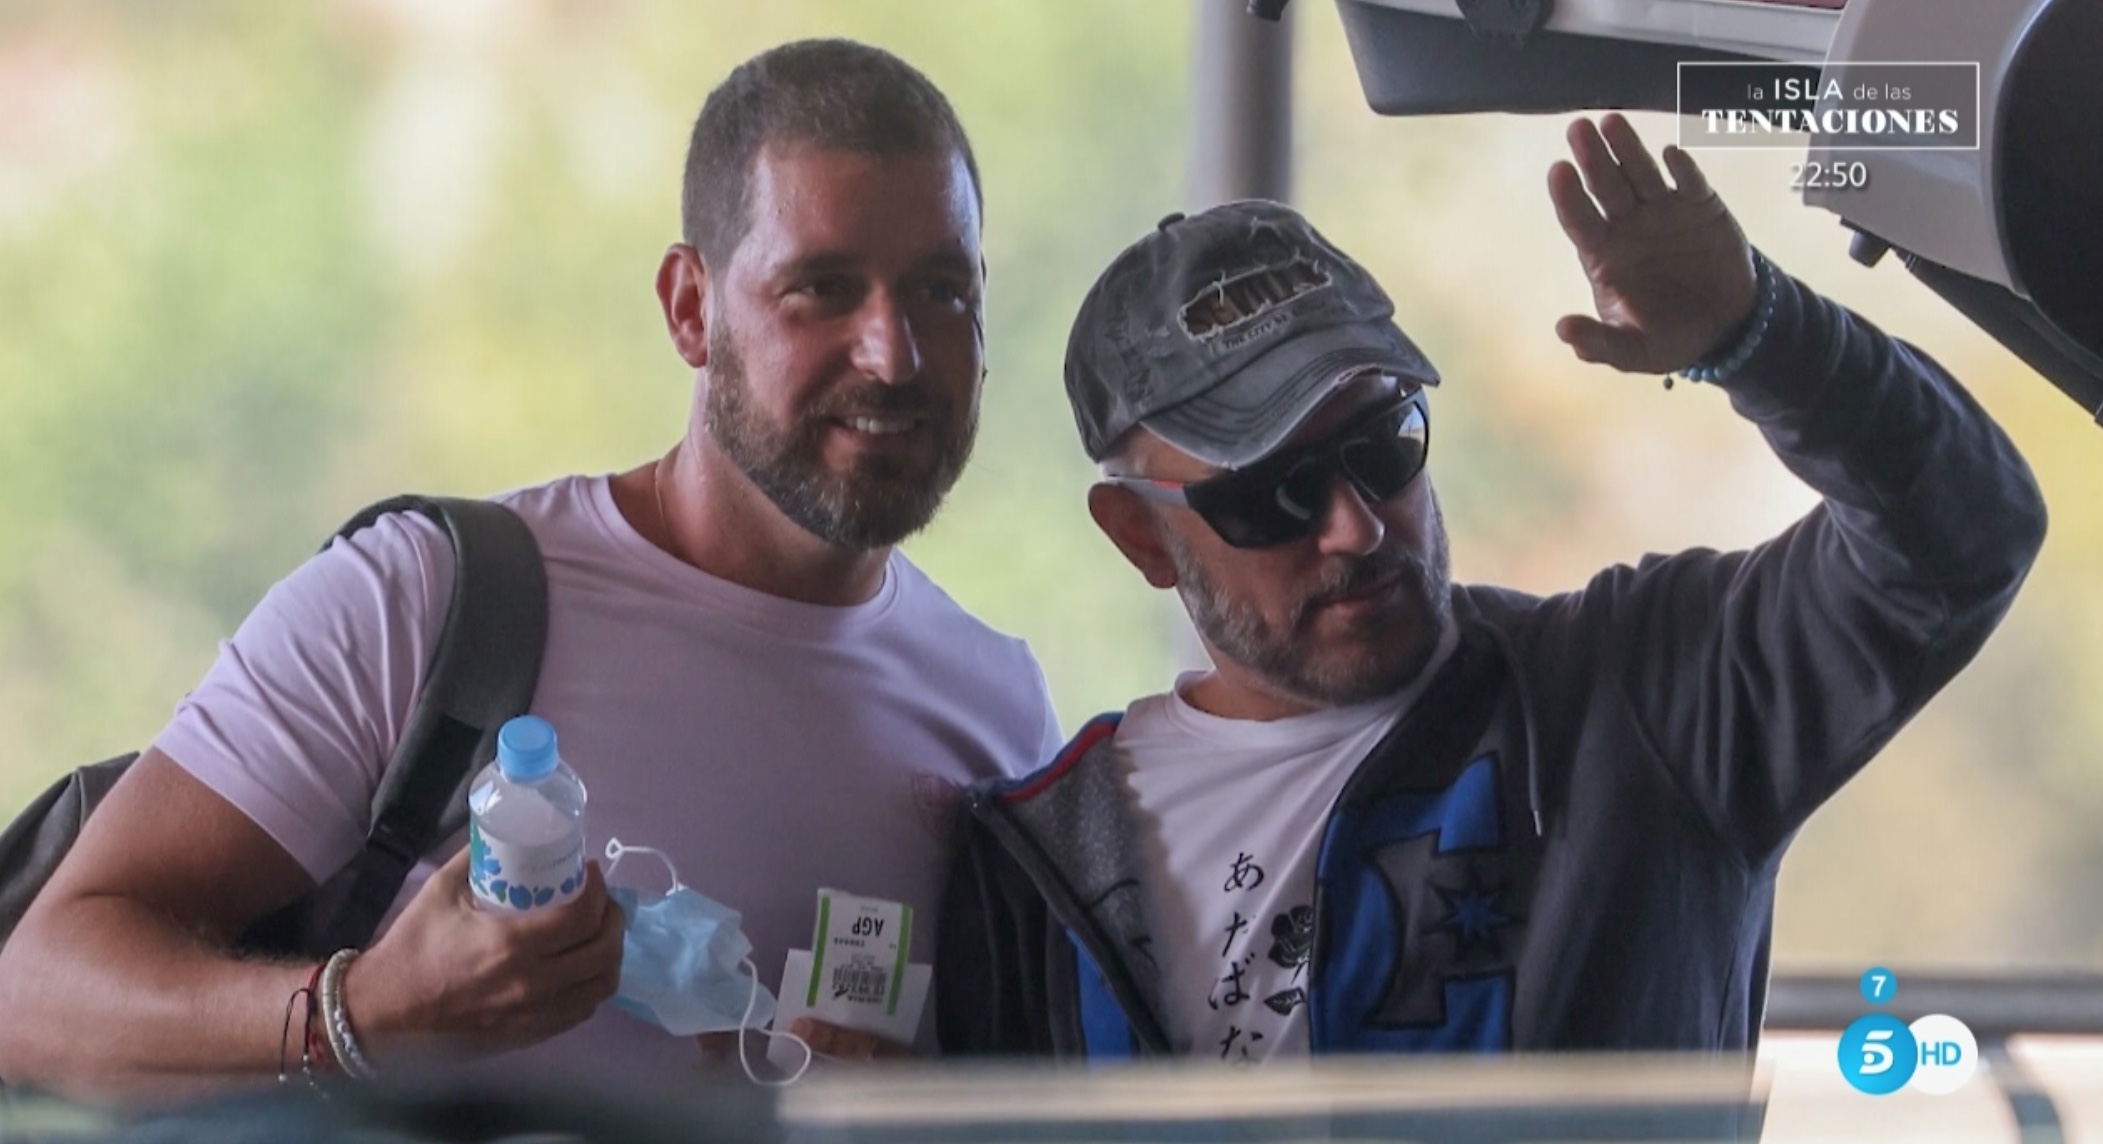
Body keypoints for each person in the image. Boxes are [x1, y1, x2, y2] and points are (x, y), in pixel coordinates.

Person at [0, 39, 1060, 1096]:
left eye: (939, 290)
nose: (894, 354)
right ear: (691, 309)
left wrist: (921, 1100)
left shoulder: (1002, 711)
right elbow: (34, 998)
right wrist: (359, 1010)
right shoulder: (429, 601)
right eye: (821, 289)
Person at [936, 115, 2045, 1062]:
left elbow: (1962, 535)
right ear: (1140, 535)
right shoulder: (1033, 864)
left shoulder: (1634, 700)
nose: (1356, 526)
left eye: (1386, 443)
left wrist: (1762, 337)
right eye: (1270, 494)